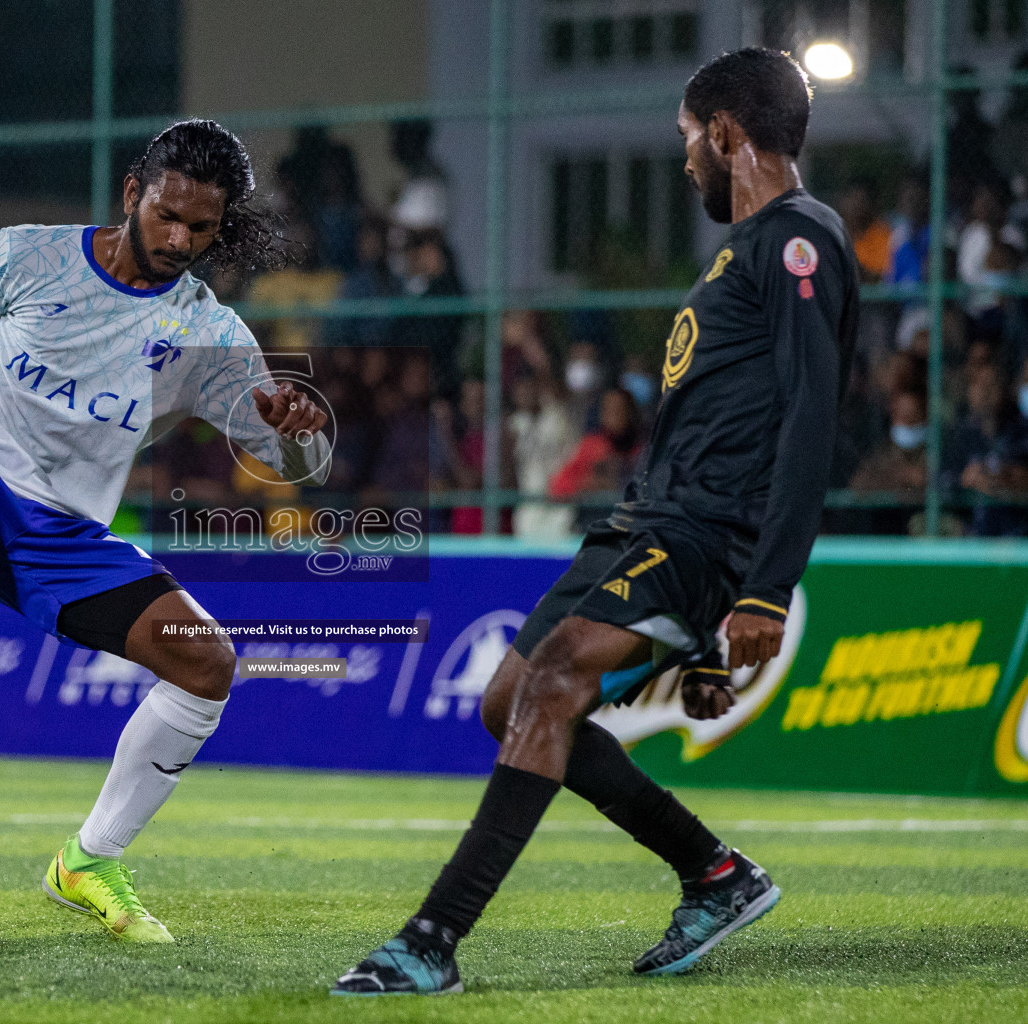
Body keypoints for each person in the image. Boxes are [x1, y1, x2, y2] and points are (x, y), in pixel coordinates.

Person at [334, 48, 859, 995]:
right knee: (508, 702)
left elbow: (811, 421)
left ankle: (431, 941)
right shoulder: (740, 253)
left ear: (729, 133)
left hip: (701, 535)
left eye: (690, 139)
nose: (687, 158)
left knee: (556, 683)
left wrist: (763, 590)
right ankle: (715, 872)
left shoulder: (799, 240)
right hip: (645, 525)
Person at [0, 120, 330, 944]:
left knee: (207, 661)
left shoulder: (208, 337)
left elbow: (299, 464)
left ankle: (89, 860)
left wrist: (303, 425)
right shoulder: (22, 255)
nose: (179, 238)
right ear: (132, 194)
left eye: (201, 228)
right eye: (166, 215)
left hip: (62, 533)